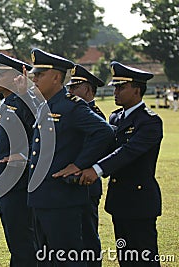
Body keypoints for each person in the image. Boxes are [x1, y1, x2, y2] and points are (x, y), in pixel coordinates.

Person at [28, 48, 114, 266]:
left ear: (56, 77)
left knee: (67, 259)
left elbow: (104, 132)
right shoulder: (44, 105)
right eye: (34, 74)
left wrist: (79, 164)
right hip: (42, 196)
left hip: (62, 199)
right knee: (46, 258)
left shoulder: (71, 106)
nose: (34, 78)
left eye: (39, 74)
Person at [80, 61, 163, 267]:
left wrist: (96, 170)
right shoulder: (116, 117)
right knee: (126, 258)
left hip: (140, 200)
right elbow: (104, 148)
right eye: (115, 86)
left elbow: (127, 152)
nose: (115, 91)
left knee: (144, 258)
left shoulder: (150, 121)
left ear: (137, 90)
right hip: (119, 200)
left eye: (121, 87)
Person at [0, 52, 37, 266]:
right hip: (6, 180)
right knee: (13, 235)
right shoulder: (7, 102)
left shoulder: (22, 101)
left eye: (0, 74)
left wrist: (25, 157)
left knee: (22, 237)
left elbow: (40, 129)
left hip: (19, 180)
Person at [66, 64, 106, 267]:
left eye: (75, 87)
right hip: (72, 183)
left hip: (86, 184)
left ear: (88, 89)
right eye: (70, 87)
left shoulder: (95, 114)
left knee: (88, 236)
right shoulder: (75, 110)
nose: (70, 91)